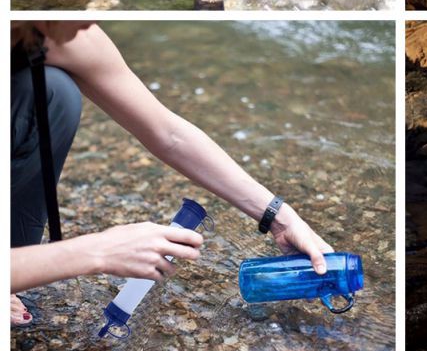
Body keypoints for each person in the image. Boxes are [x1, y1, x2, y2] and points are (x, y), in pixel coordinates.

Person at [10, 21, 333, 325]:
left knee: (53, 92)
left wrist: (281, 217)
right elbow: (95, 252)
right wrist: (95, 251)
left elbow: (167, 133)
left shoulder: (54, 33)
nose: (91, 19)